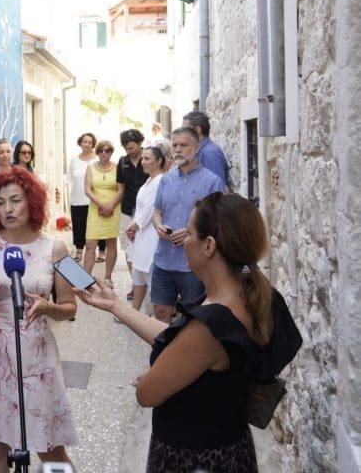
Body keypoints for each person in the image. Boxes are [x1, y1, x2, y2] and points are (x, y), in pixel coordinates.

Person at [74, 192, 302, 472]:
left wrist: (158, 373)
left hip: (194, 457)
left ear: (208, 245)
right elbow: (180, 340)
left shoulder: (209, 327)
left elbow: (147, 394)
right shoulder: (256, 296)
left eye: (190, 232)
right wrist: (116, 306)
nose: (184, 239)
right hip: (231, 446)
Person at [0, 166, 78, 471]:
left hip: (36, 356)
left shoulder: (55, 247)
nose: (8, 209)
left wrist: (48, 308)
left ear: (32, 202)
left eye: (16, 200)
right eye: (0, 202)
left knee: (49, 446)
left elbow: (70, 307)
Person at [151, 127, 227, 323]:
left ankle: (187, 344)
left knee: (193, 316)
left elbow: (219, 220)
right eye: (175, 145)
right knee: (160, 309)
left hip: (193, 263)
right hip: (163, 258)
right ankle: (164, 343)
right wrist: (158, 225)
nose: (177, 149)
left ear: (196, 147)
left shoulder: (212, 182)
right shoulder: (166, 180)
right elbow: (157, 211)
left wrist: (190, 231)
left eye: (183, 145)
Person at [124, 146, 166, 312]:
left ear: (159, 161)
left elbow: (150, 209)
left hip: (151, 234)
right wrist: (132, 225)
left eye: (147, 159)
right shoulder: (148, 181)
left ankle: (156, 315)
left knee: (150, 275)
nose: (143, 162)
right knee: (138, 274)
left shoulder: (160, 181)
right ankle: (135, 311)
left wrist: (135, 226)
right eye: (142, 158)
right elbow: (140, 209)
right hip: (140, 234)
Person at [83, 140, 123, 287]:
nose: (104, 153)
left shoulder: (117, 168)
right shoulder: (90, 167)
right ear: (97, 152)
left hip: (114, 208)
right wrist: (101, 205)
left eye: (107, 150)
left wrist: (110, 206)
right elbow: (87, 189)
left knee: (111, 243)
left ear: (111, 152)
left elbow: (121, 190)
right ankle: (85, 278)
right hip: (96, 209)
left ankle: (108, 277)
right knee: (90, 244)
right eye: (101, 150)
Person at [117, 129, 148, 298]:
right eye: (126, 148)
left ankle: (149, 282)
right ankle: (136, 284)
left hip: (147, 211)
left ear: (140, 143)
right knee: (129, 249)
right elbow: (120, 187)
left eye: (132, 147)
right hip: (127, 210)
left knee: (146, 246)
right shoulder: (122, 162)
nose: (129, 151)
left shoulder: (150, 157)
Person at [67, 132, 97, 263]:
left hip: (94, 199)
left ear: (93, 144)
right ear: (80, 143)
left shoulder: (97, 159)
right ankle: (79, 250)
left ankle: (102, 250)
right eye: (85, 141)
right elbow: (70, 178)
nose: (87, 144)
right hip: (77, 198)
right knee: (78, 225)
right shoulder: (74, 159)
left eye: (90, 142)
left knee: (96, 225)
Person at [183, 110, 230, 187]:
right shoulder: (201, 151)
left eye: (185, 130)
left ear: (197, 130)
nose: (182, 134)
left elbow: (217, 189)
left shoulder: (209, 153)